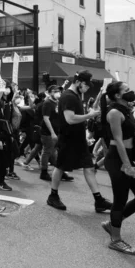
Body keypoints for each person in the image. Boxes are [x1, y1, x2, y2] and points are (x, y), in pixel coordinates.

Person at [47, 71, 112, 212]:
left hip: (78, 139)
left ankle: (98, 199)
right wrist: (89, 115)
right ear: (78, 82)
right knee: (60, 167)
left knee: (89, 167)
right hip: (68, 139)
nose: (88, 88)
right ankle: (53, 196)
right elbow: (70, 119)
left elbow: (76, 116)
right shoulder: (68, 97)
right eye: (86, 85)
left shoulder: (75, 95)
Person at [100, 82, 135, 255]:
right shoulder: (113, 112)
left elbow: (128, 134)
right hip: (117, 159)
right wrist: (126, 164)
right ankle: (115, 239)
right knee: (120, 200)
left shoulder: (125, 110)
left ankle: (112, 224)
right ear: (117, 95)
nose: (131, 92)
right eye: (126, 90)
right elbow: (118, 141)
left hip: (126, 157)